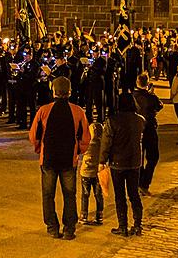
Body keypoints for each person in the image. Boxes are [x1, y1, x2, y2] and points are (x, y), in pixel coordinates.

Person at [29, 76, 91, 240]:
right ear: (69, 91)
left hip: (48, 158)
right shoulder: (78, 111)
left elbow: (34, 135)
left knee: (48, 194)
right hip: (68, 159)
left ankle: (52, 226)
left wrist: (39, 149)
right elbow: (85, 137)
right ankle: (69, 228)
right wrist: (78, 150)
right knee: (69, 194)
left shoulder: (44, 110)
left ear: (53, 91)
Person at [100, 93, 146, 237]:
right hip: (134, 162)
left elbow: (106, 143)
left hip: (118, 162)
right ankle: (138, 224)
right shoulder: (140, 120)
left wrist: (102, 160)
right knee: (134, 194)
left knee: (120, 196)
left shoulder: (113, 121)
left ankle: (123, 226)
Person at [132, 73, 163, 195]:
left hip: (136, 129)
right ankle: (144, 182)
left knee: (139, 158)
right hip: (149, 128)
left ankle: (141, 181)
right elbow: (159, 106)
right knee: (153, 156)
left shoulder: (132, 97)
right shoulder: (151, 97)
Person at [79, 122, 104, 226]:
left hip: (86, 172)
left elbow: (80, 151)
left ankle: (84, 215)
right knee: (98, 195)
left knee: (85, 195)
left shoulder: (87, 143)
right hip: (98, 173)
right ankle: (99, 216)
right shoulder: (102, 144)